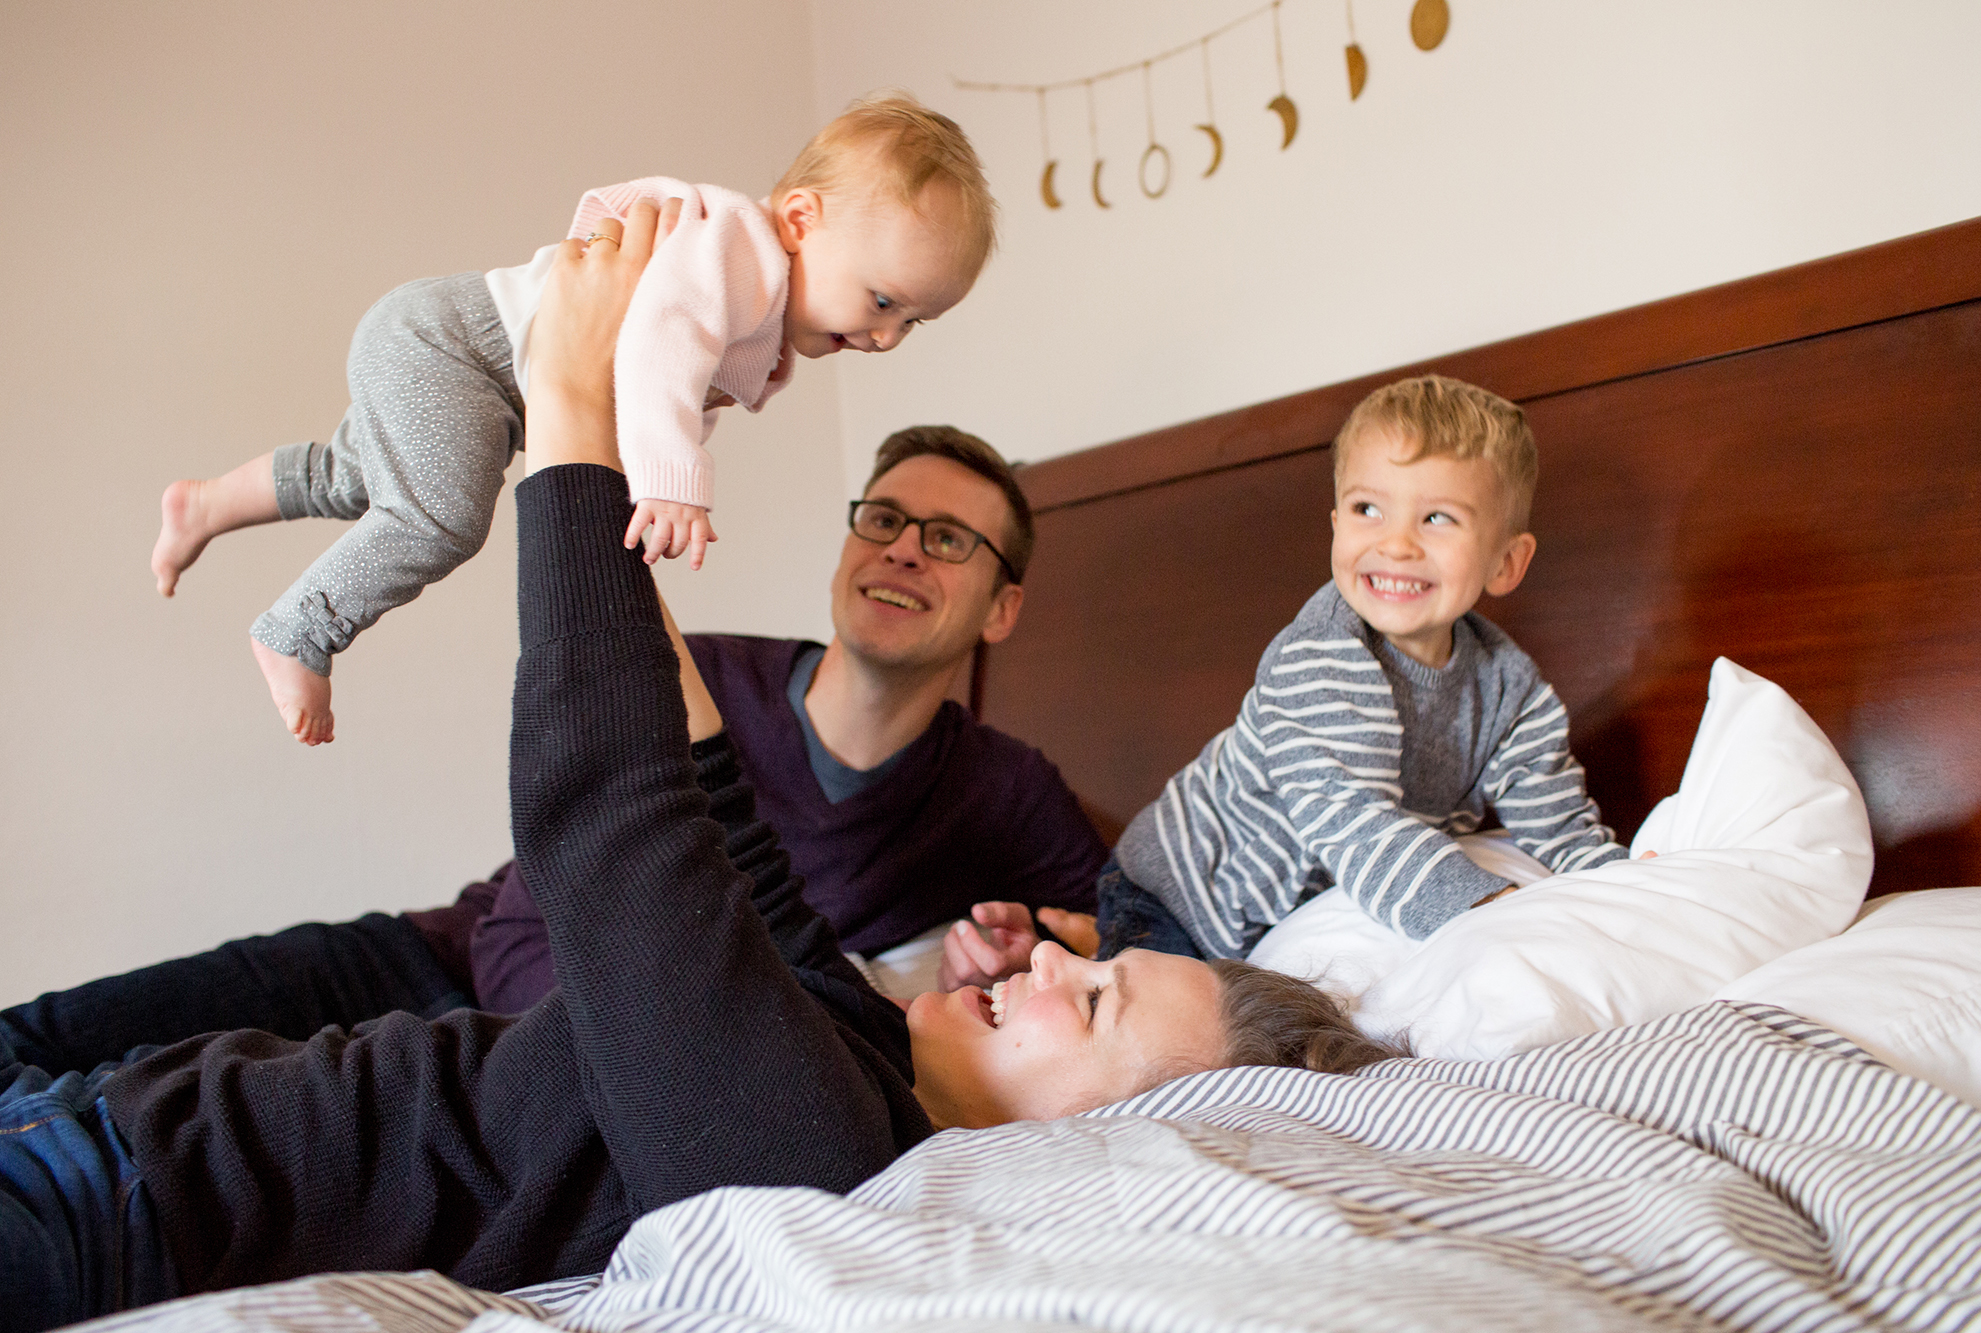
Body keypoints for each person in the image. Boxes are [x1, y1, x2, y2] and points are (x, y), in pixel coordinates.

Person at [0, 199, 1403, 1333]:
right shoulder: (849, 1040)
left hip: (121, 1188)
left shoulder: (809, 1139)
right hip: (168, 1109)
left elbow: (620, 827)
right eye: (885, 522)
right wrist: (615, 403)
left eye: (1087, 1007)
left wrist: (570, 413)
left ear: (1087, 1146)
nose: (1041, 969)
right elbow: (714, 818)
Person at [149, 94, 995, 746]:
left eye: (911, 320)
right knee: (440, 519)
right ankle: (298, 628)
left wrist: (641, 477)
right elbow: (660, 349)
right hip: (455, 346)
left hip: (452, 356)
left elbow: (659, 389)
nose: (885, 335)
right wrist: (673, 485)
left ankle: (208, 503)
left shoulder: (763, 300)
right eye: (882, 299)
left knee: (356, 477)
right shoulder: (742, 252)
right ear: (804, 219)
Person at [941, 375, 1629, 983]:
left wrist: (1624, 888)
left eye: (1438, 518)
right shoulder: (1322, 654)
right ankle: (1089, 955)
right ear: (1335, 527)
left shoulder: (1508, 687)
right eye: (1368, 509)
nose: (1396, 543)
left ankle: (1086, 946)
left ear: (1506, 562)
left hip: (1276, 919)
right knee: (1156, 1035)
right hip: (1182, 888)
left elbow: (1557, 818)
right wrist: (1483, 908)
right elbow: (1357, 825)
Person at [469, 423, 1107, 1010]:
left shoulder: (1003, 792)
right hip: (454, 960)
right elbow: (519, 940)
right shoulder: (690, 678)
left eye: (947, 539)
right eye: (883, 520)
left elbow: (1123, 935)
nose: (903, 551)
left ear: (1002, 609)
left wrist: (1030, 970)